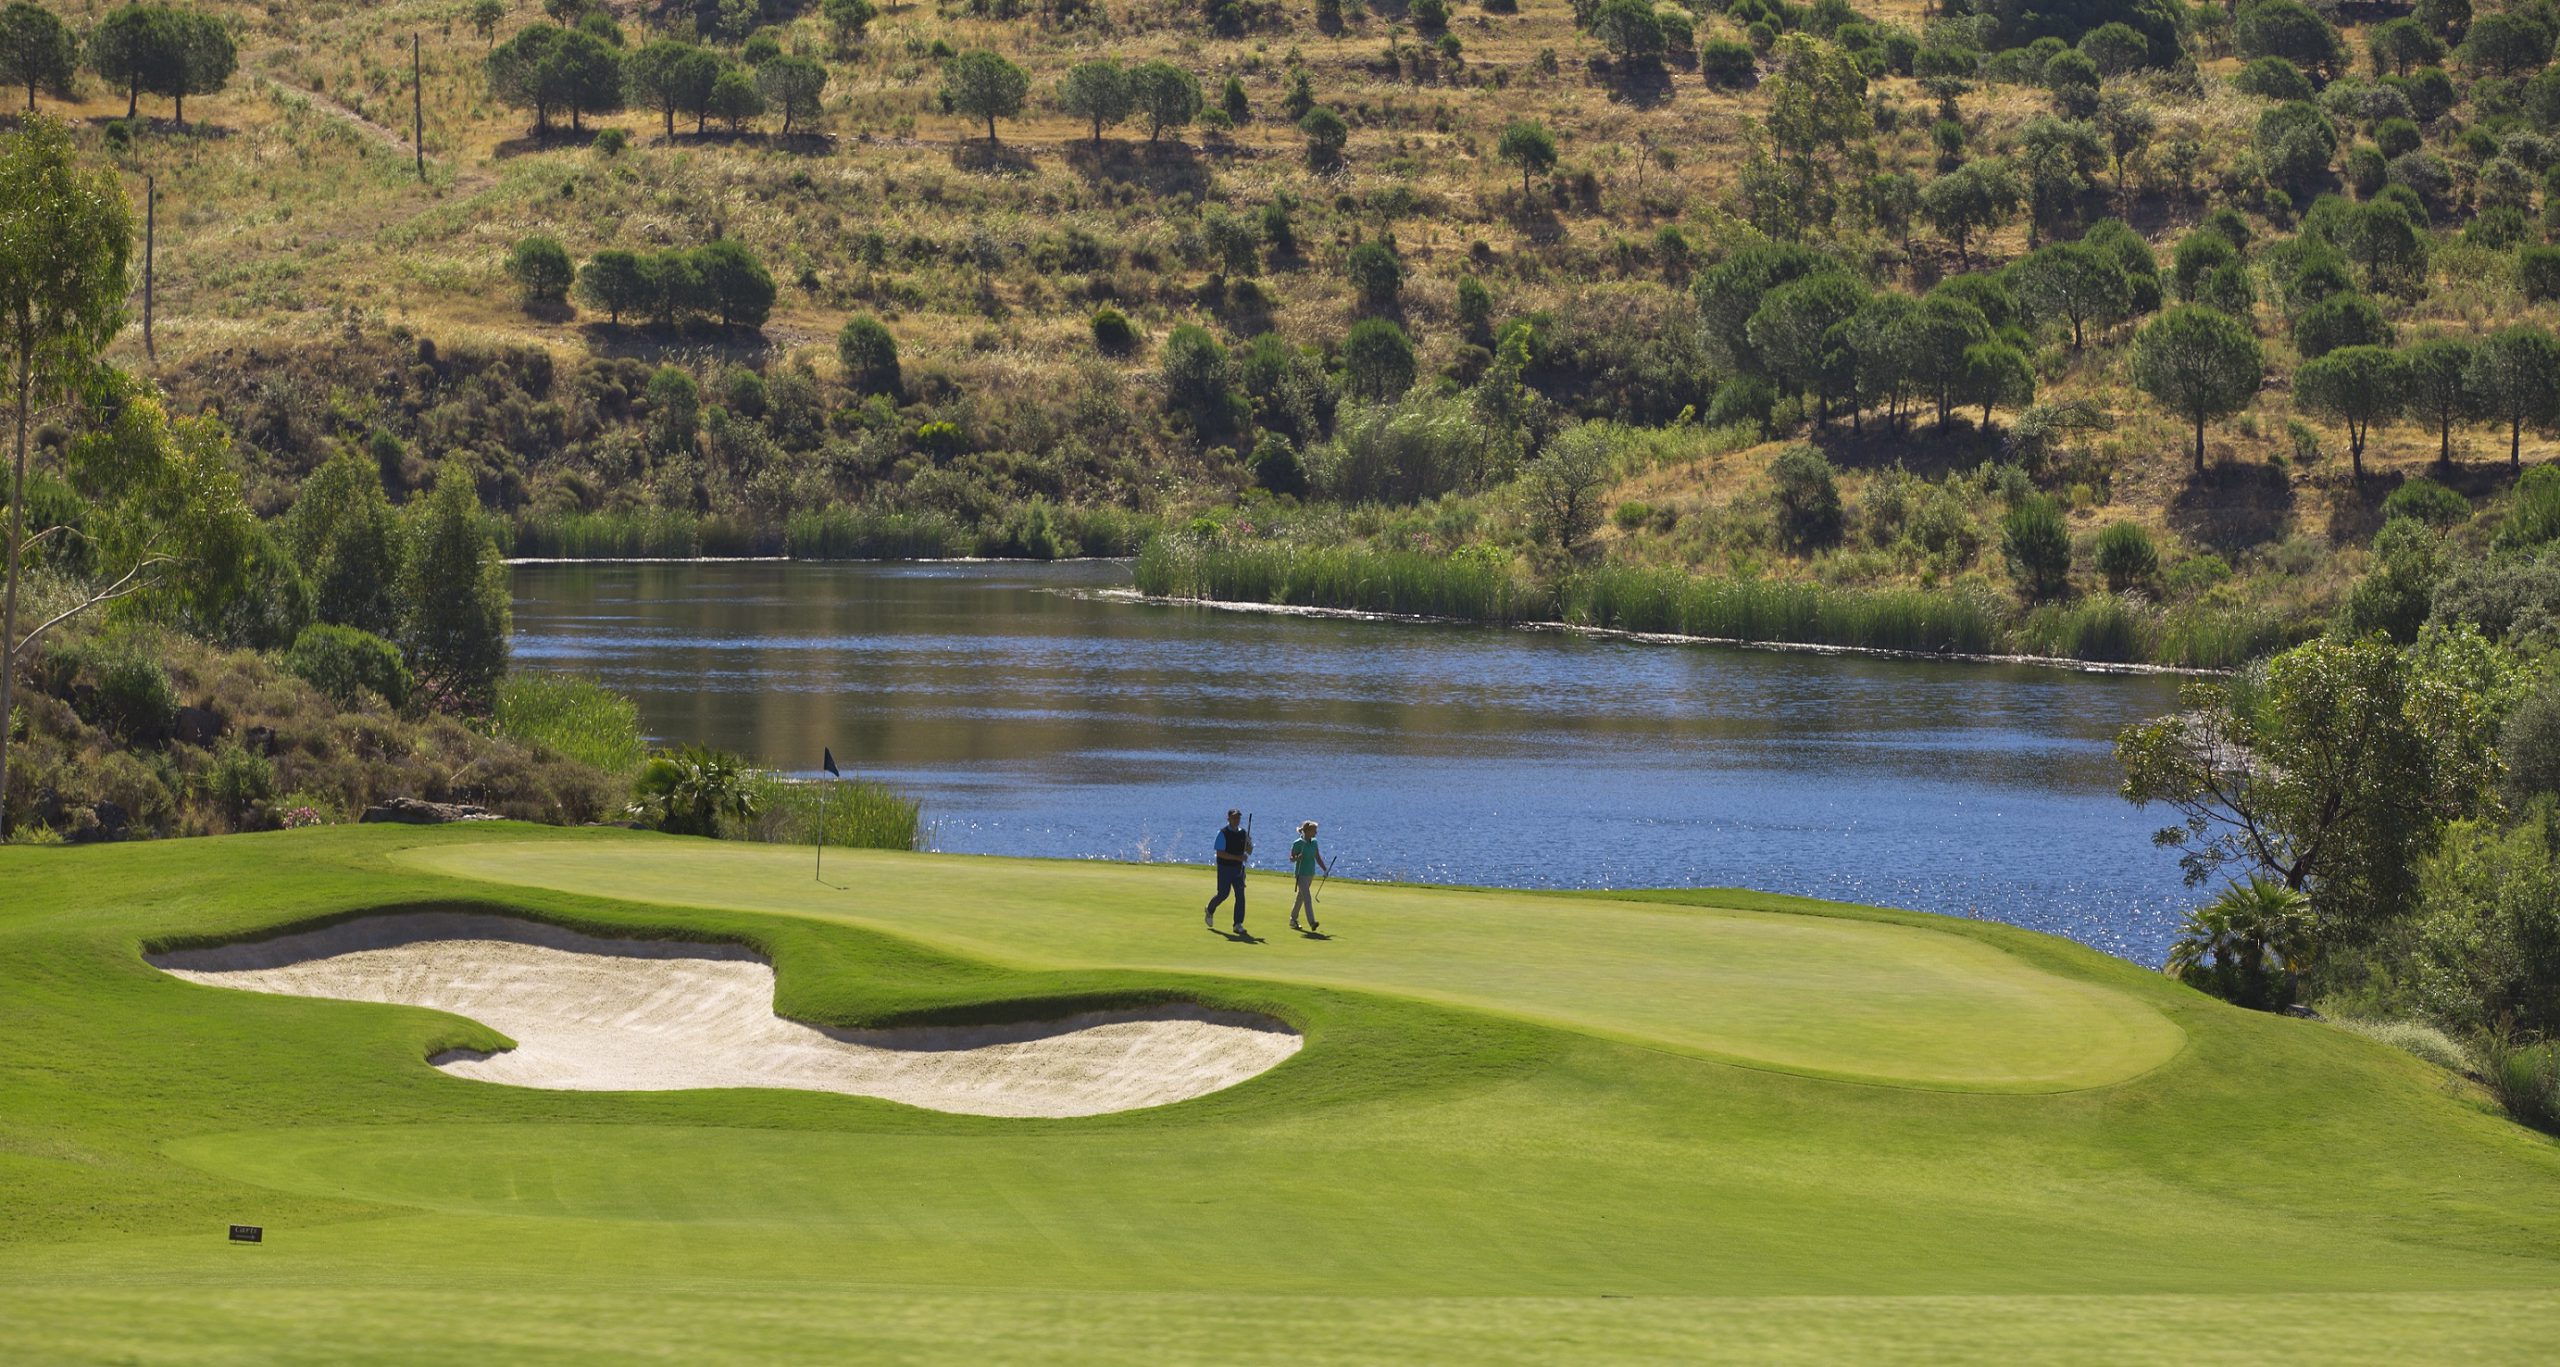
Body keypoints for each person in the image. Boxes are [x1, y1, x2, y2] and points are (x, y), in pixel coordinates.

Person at [1206, 809, 1252, 933]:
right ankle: (1210, 909)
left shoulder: (1243, 833)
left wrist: (1249, 847)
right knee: (1223, 894)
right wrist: (1238, 857)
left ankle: (1237, 924)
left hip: (1238, 869)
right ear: (1228, 819)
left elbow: (1249, 850)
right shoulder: (1223, 833)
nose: (1236, 820)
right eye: (1234, 818)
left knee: (1240, 895)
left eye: (1238, 818)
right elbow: (1220, 854)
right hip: (1225, 868)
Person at [1288, 820, 1331, 932]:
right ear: (1307, 831)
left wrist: (1325, 869)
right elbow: (1291, 858)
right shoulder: (1298, 843)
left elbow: (1317, 856)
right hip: (1300, 874)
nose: (1316, 833)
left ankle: (1293, 919)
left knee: (1300, 898)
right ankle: (1312, 922)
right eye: (1314, 831)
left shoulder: (1314, 842)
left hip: (1310, 873)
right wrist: (1297, 858)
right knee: (1307, 898)